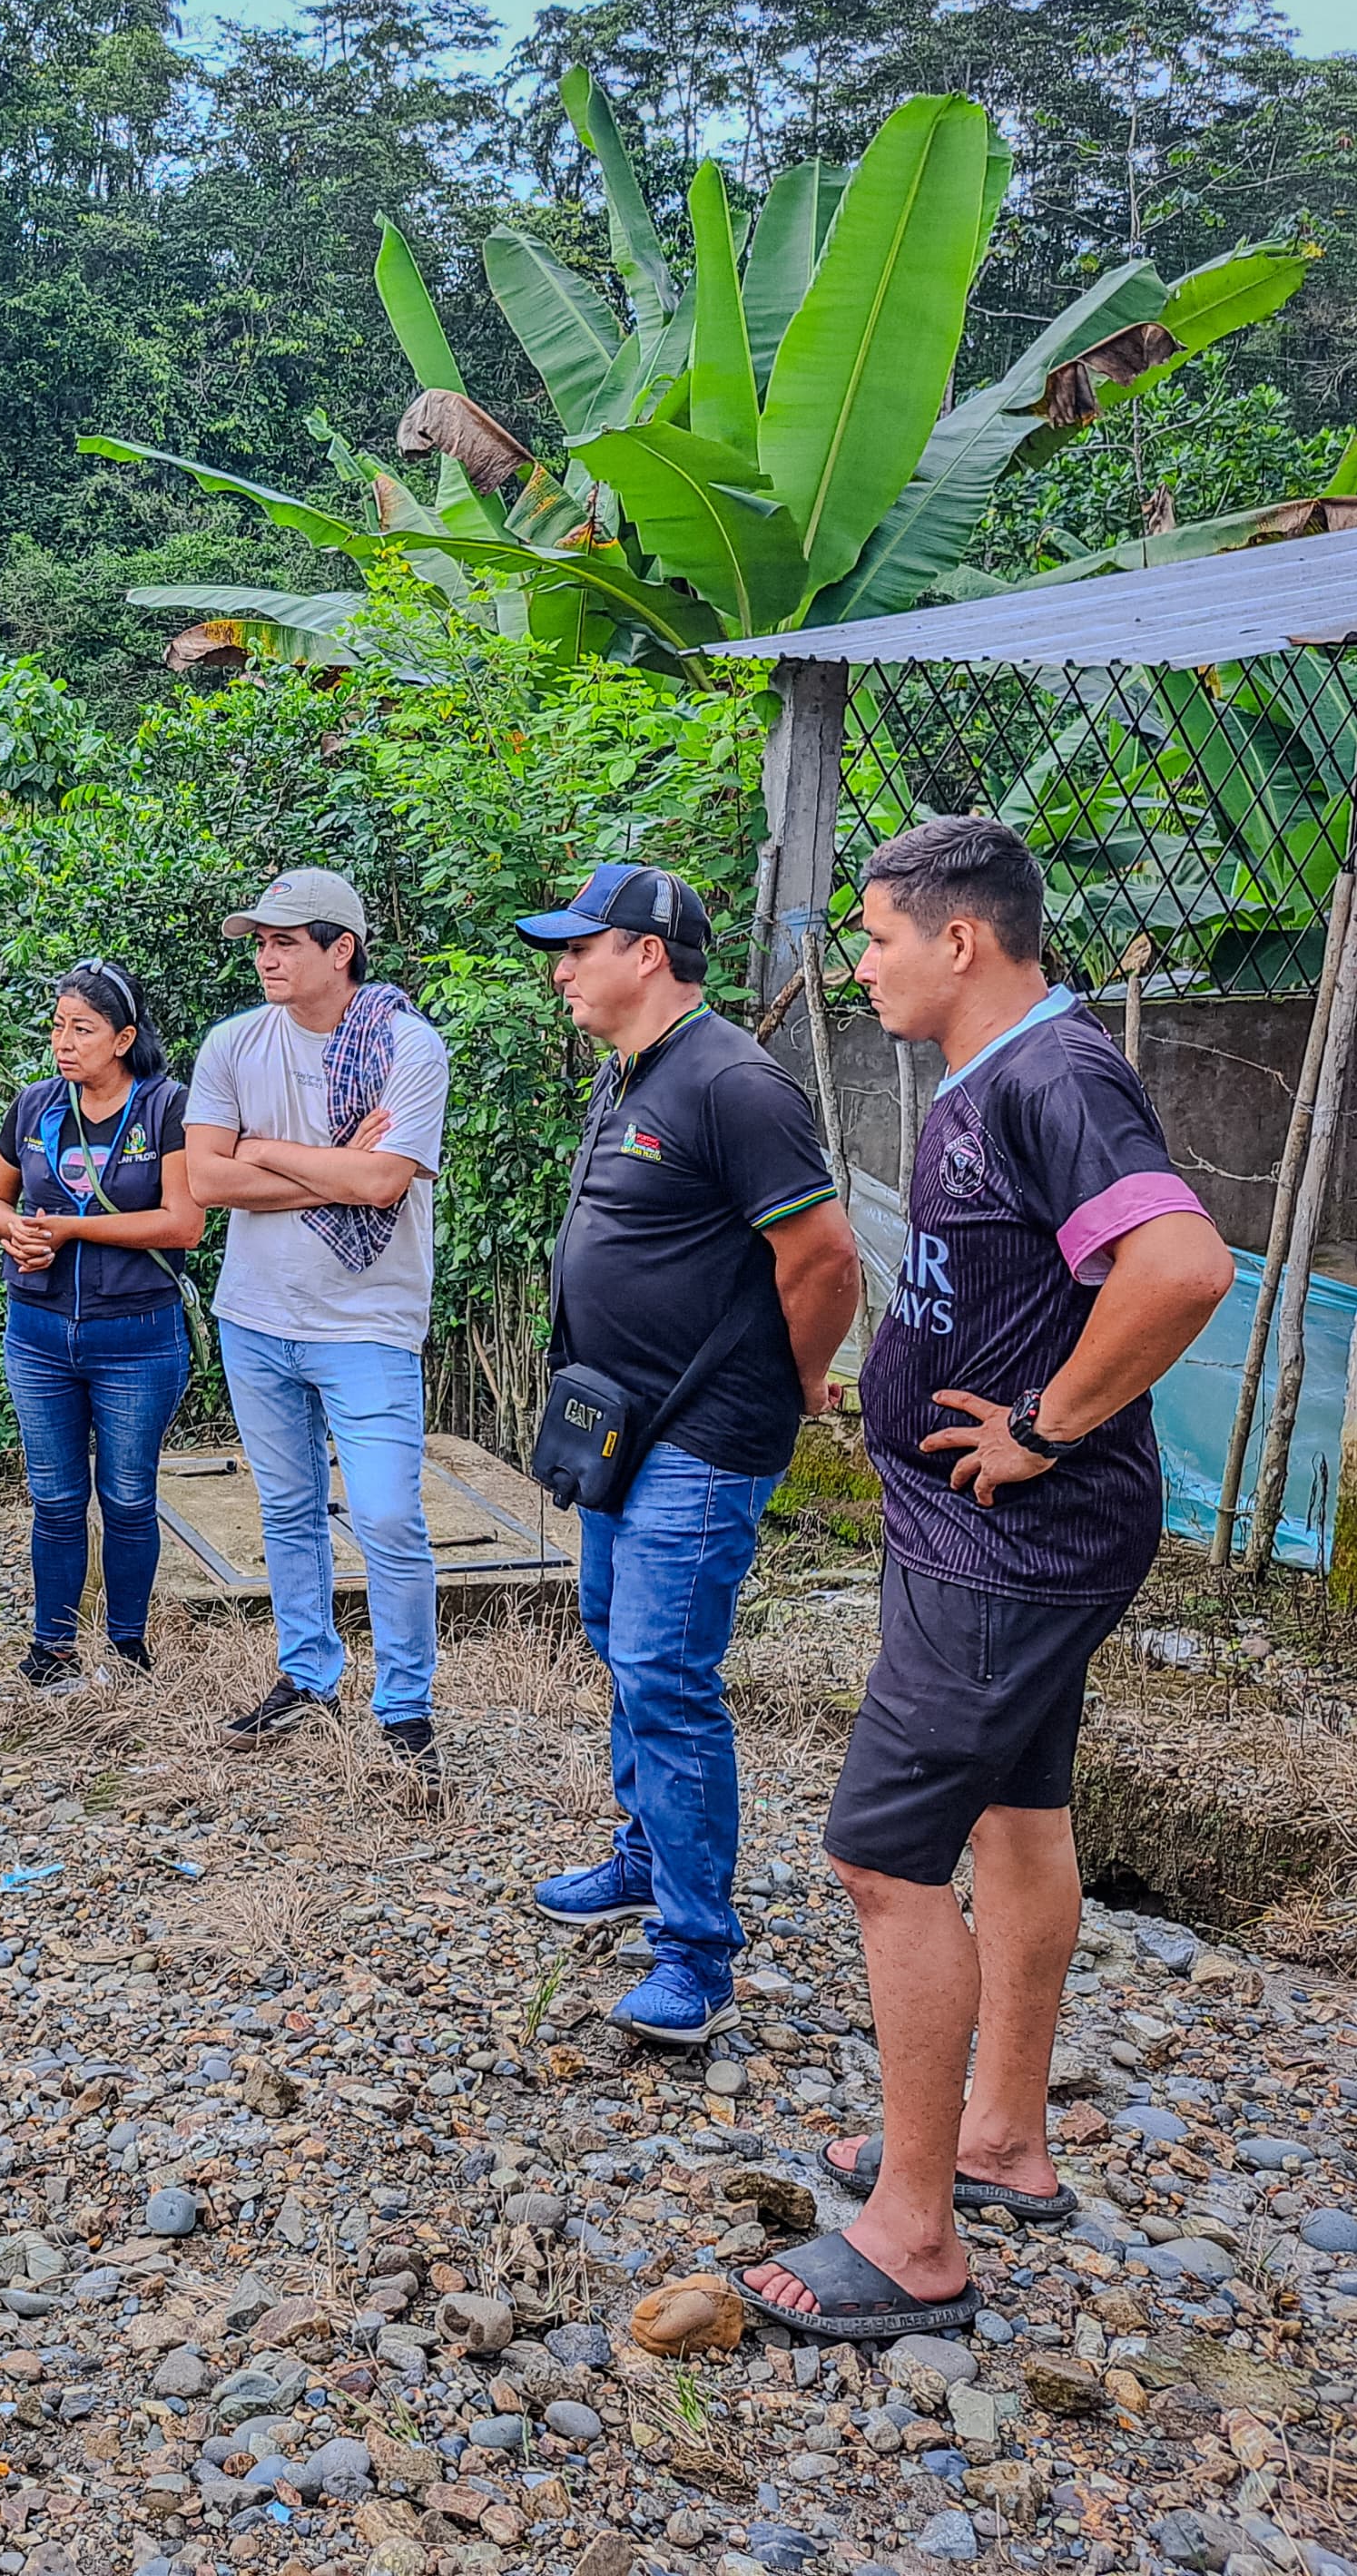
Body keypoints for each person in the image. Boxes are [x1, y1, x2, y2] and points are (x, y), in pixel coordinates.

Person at [742, 815, 1232, 2346]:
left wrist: (1046, 1425)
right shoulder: (994, 1074)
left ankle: (913, 2236)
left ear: (960, 939)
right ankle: (999, 2134)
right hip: (993, 1542)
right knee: (1019, 1819)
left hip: (1010, 1549)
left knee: (883, 1860)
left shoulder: (1053, 1076)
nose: (861, 967)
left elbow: (1183, 1267)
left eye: (877, 938)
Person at [513, 863, 860, 2048]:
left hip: (704, 1433)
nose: (561, 972)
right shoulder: (629, 1072)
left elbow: (825, 1259)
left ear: (647, 954)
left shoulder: (733, 1083)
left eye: (578, 949)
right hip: (620, 1422)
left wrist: (795, 1380)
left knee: (664, 1673)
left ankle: (696, 1955)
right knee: (618, 1640)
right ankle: (640, 1858)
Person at [183, 868, 455, 1776]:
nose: (266, 958)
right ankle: (307, 1676)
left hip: (367, 1318)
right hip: (254, 1314)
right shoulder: (232, 1043)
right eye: (260, 942)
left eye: (286, 942)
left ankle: (405, 1707)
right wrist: (331, 1164)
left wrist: (262, 1150)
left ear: (341, 950)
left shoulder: (406, 1047)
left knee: (386, 1513)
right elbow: (205, 1180)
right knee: (287, 1505)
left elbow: (382, 1182)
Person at [0, 962, 203, 1687]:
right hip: (38, 1333)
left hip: (137, 1335)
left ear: (124, 1039)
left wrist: (72, 1229)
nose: (63, 1043)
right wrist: (14, 1229)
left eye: (83, 1029)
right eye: (58, 1027)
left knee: (129, 1497)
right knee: (55, 1498)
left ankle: (128, 1650)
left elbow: (183, 1224)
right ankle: (52, 1649)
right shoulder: (35, 1106)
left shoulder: (166, 1108)